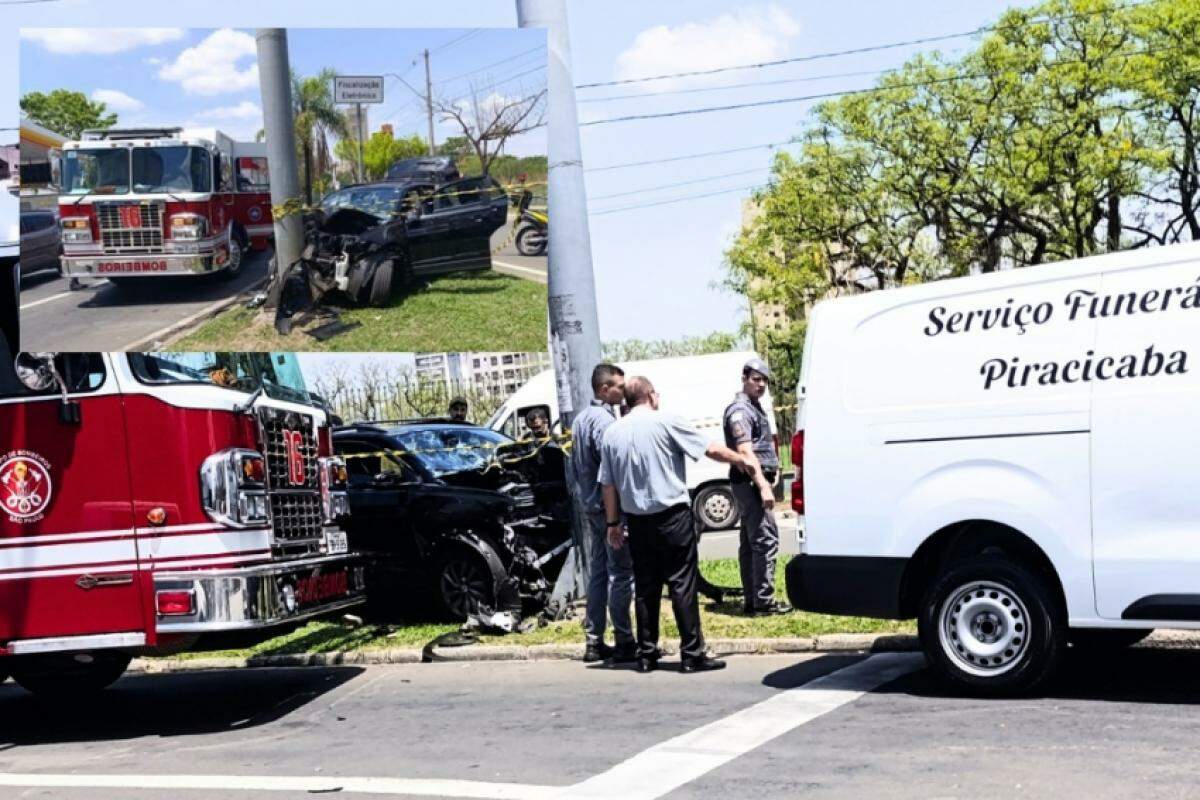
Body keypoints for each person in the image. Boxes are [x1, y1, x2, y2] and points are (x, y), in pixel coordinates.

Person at [599, 376, 754, 674]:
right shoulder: (667, 421)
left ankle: (646, 655)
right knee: (682, 583)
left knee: (646, 587)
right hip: (672, 516)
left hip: (637, 521)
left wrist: (613, 523)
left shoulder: (612, 434)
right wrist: (742, 460)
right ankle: (691, 653)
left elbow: (607, 484)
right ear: (650, 396)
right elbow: (710, 449)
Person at [570, 364, 636, 664]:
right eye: (618, 387)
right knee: (620, 573)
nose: (624, 392)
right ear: (603, 389)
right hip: (609, 509)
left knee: (598, 573)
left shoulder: (582, 419)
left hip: (590, 506)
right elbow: (613, 467)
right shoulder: (602, 422)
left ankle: (594, 639)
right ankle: (624, 638)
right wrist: (616, 516)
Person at [724, 358, 792, 616]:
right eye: (756, 378)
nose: (761, 384)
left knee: (751, 542)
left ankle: (754, 599)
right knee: (764, 540)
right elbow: (744, 451)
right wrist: (763, 485)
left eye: (764, 379)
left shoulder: (753, 407)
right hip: (750, 483)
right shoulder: (740, 411)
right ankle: (763, 602)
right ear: (744, 377)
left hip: (753, 481)